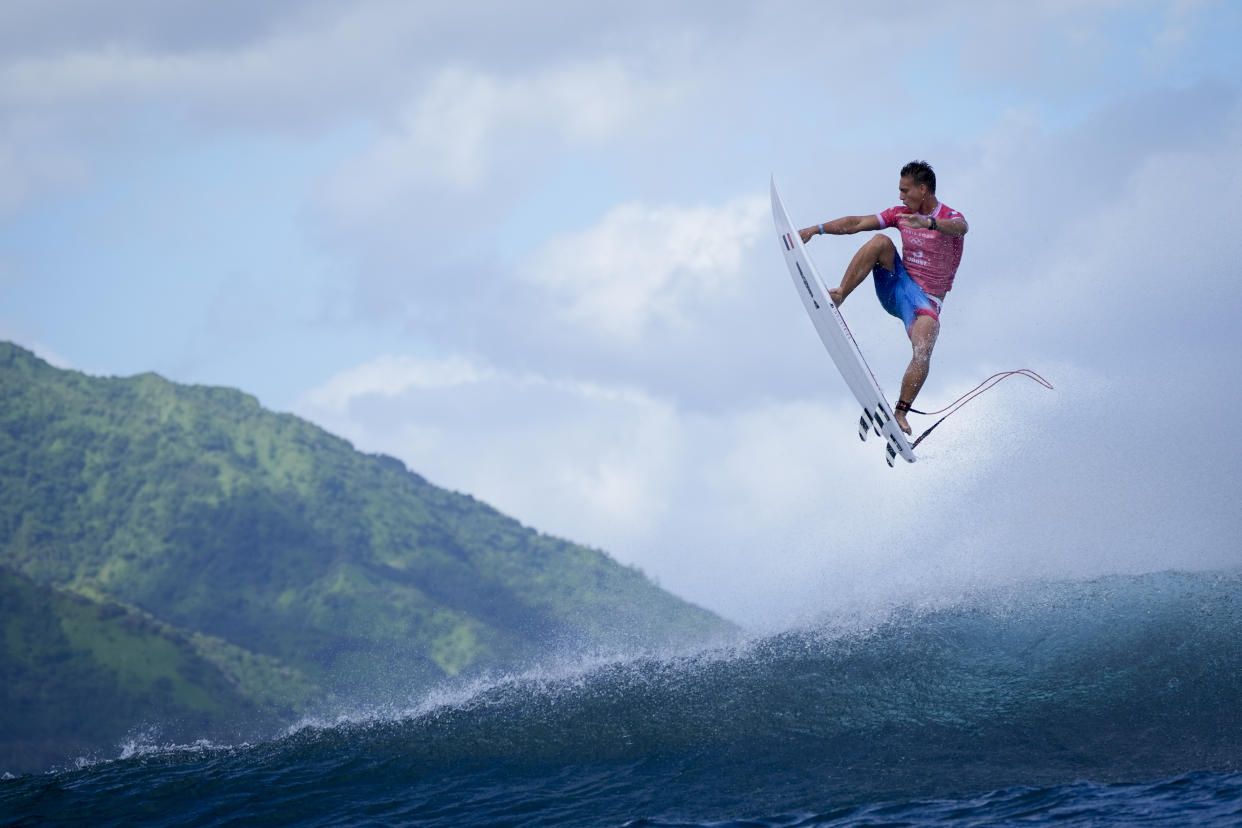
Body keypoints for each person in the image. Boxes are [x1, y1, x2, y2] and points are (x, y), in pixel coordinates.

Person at [798, 160, 968, 435]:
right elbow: (857, 223)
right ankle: (840, 293)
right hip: (896, 287)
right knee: (881, 242)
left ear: (923, 189)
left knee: (925, 343)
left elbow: (961, 228)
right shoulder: (899, 214)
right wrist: (815, 229)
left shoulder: (950, 216)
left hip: (924, 305)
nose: (900, 197)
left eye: (905, 191)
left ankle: (900, 413)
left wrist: (930, 223)